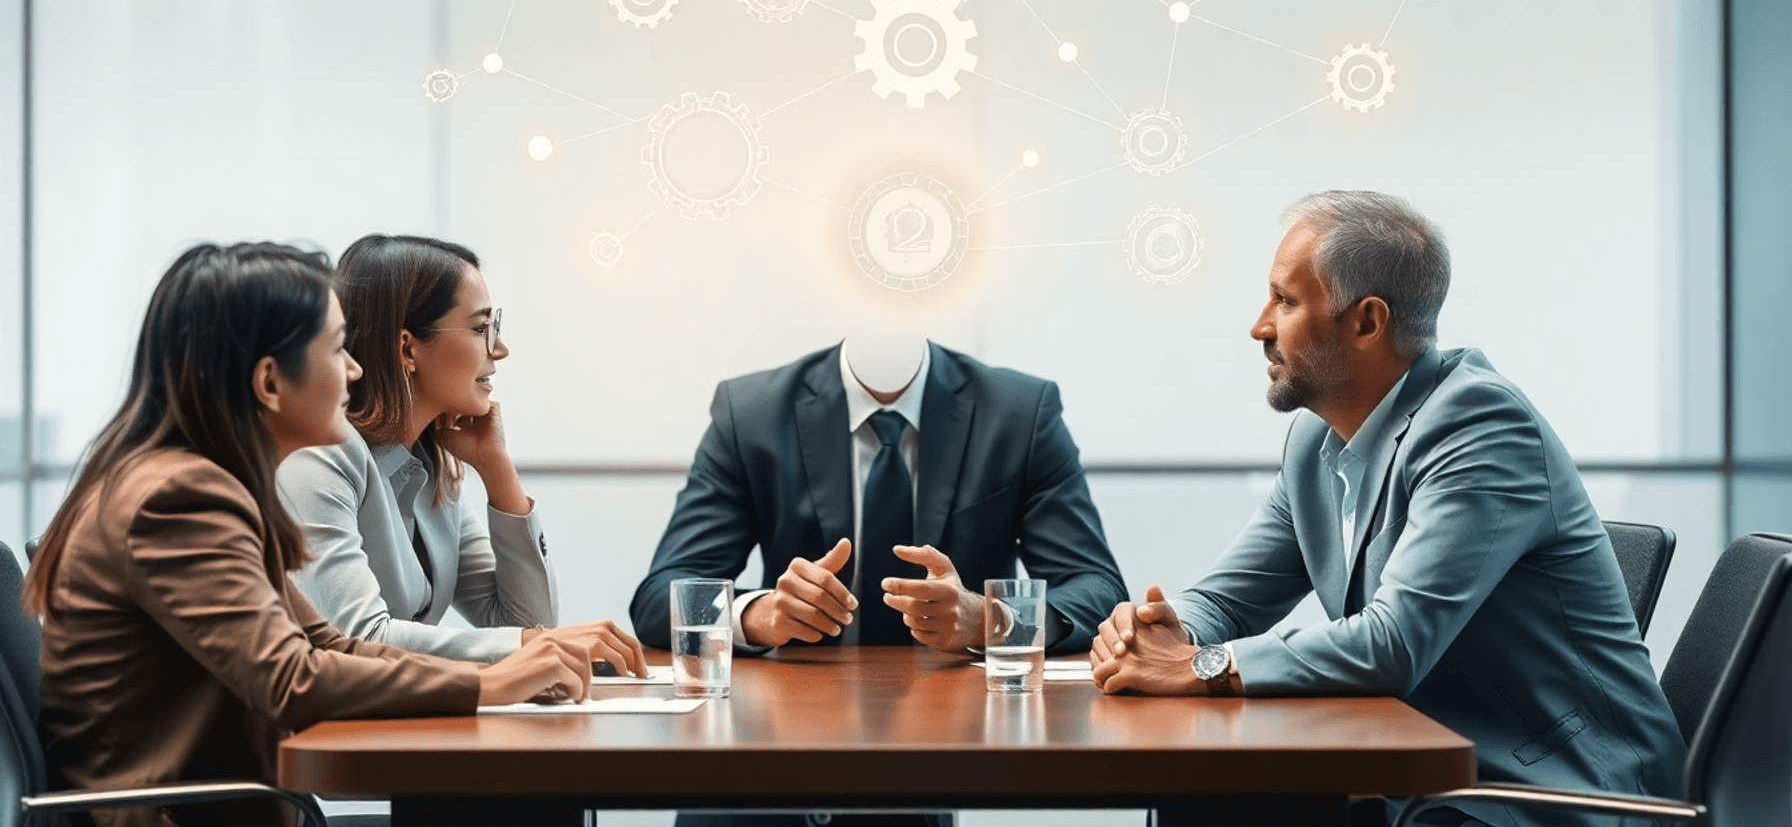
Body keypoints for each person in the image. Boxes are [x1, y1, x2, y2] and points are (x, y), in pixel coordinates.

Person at [1089, 192, 1686, 827]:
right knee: (1208, 797)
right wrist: (1158, 628)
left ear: (1367, 323)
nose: (1259, 326)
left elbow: (1392, 642)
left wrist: (1204, 665)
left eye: (1286, 301)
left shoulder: (1480, 427)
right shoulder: (1316, 443)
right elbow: (1232, 600)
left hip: (1553, 792)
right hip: (1423, 772)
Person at [28, 243, 593, 827]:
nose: (354, 368)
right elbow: (293, 679)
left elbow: (331, 646)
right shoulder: (179, 498)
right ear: (270, 383)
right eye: (335, 349)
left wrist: (493, 677)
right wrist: (488, 685)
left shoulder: (210, 485)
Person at [634, 334, 1128, 827]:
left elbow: (1097, 588)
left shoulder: (1019, 413)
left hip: (927, 763)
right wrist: (759, 614)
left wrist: (992, 620)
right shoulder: (751, 412)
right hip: (769, 767)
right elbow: (662, 594)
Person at [277, 234, 645, 674]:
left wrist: (496, 470)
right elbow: (358, 639)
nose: (500, 349)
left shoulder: (435, 470)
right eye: (479, 328)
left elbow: (530, 624)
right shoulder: (319, 460)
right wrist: (530, 643)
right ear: (408, 347)